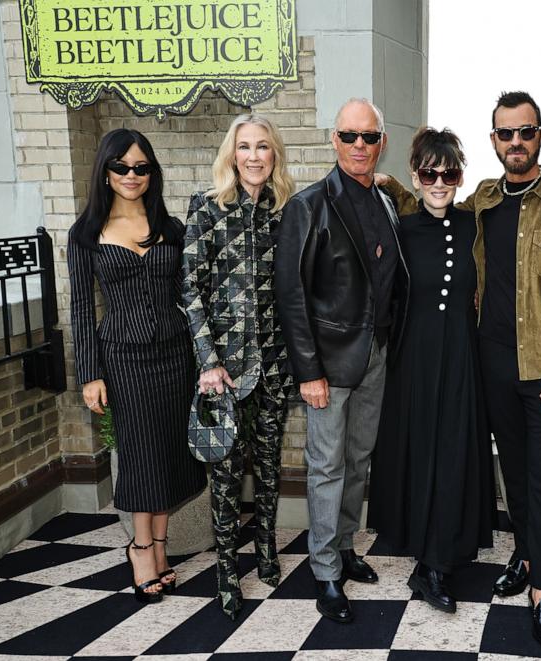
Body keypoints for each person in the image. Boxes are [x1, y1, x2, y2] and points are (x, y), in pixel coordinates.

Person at [383, 90, 541, 647]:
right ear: (495, 141)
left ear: (540, 136)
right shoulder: (484, 201)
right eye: (506, 134)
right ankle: (526, 558)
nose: (516, 142)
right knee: (518, 475)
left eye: (526, 132)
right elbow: (431, 214)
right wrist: (390, 186)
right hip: (492, 365)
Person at [274, 98, 409, 624]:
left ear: (381, 142)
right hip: (327, 364)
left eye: (369, 137)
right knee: (327, 466)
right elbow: (292, 295)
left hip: (375, 355)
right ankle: (325, 570)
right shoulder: (308, 206)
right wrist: (308, 371)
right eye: (350, 136)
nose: (359, 146)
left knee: (358, 461)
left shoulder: (388, 202)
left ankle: (346, 546)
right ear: (334, 140)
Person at [68, 129, 206, 604]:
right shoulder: (86, 232)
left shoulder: (170, 226)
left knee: (169, 453)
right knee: (141, 455)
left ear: (153, 172)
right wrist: (89, 374)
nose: (132, 175)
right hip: (123, 360)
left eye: (141, 167)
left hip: (175, 356)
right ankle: (141, 548)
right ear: (105, 172)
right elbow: (83, 311)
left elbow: (190, 294)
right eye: (122, 167)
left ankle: (161, 547)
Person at [367, 127, 495, 614]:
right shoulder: (400, 231)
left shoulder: (473, 226)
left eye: (450, 173)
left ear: (461, 176)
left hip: (463, 356)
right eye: (429, 173)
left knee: (455, 453)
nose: (440, 182)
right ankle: (429, 560)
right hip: (415, 361)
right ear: (416, 177)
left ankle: (441, 559)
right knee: (422, 456)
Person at [181, 114, 295, 619]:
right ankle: (227, 568)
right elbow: (189, 288)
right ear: (232, 154)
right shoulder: (207, 210)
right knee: (225, 473)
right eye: (244, 147)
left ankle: (265, 550)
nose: (253, 156)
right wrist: (207, 361)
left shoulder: (288, 212)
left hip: (274, 365)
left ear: (275, 156)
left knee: (268, 469)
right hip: (223, 373)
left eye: (263, 147)